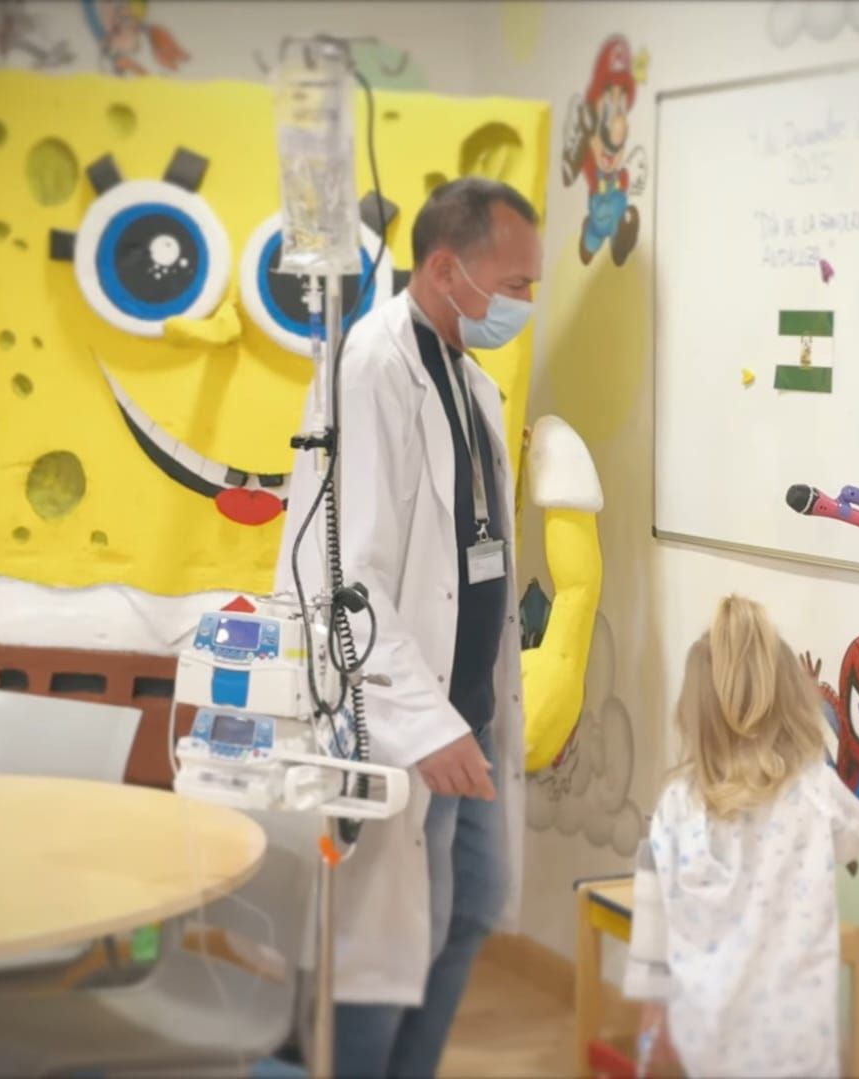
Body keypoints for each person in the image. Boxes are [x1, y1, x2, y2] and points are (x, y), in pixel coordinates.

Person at [276, 176, 542, 1077]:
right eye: (515, 284)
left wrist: (459, 716)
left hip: (466, 713)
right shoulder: (371, 369)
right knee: (382, 955)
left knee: (469, 909)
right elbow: (343, 582)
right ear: (444, 269)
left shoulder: (467, 378)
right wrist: (423, 724)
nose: (526, 302)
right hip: (405, 723)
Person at [623, 595, 859, 1077]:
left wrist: (651, 1007)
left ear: (692, 713)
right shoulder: (812, 790)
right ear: (790, 703)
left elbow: (652, 916)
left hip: (706, 1030)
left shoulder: (677, 804)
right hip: (796, 1035)